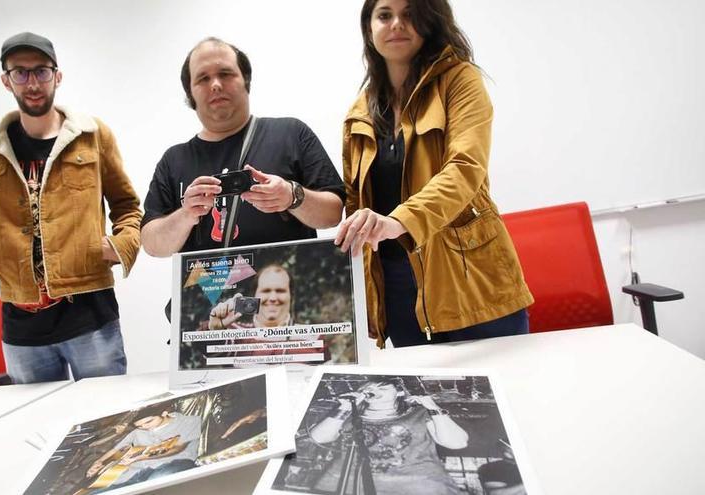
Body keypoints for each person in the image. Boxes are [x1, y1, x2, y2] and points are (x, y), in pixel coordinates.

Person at [335, 0, 534, 347]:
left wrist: (398, 221)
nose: (397, 23)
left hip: (469, 274)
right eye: (384, 15)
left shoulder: (461, 80)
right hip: (396, 284)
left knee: (502, 389)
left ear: (432, 21)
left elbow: (465, 170)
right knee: (418, 399)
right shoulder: (359, 113)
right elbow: (356, 203)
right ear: (370, 28)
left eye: (410, 14)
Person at [0, 32, 142, 383]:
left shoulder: (92, 135)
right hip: (21, 326)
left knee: (105, 421)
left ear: (57, 76)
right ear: (6, 80)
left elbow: (128, 206)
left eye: (42, 71)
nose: (32, 82)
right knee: (34, 425)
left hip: (90, 315)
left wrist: (118, 246)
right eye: (20, 72)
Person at [141, 37, 345, 257]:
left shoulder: (291, 133)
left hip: (281, 286)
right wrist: (186, 214)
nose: (216, 85)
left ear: (246, 80)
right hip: (205, 289)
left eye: (225, 74)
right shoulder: (174, 160)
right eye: (203, 78)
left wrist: (291, 196)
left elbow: (333, 213)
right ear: (190, 94)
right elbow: (152, 245)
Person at [304, 379, 468, 495]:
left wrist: (432, 406)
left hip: (416, 484)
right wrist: (345, 407)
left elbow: (457, 442)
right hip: (347, 483)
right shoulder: (348, 414)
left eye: (382, 388)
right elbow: (319, 438)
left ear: (399, 393)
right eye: (369, 388)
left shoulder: (419, 413)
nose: (374, 391)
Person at [83, 408, 202, 492]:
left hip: (175, 463)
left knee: (156, 484)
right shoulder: (138, 431)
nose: (145, 427)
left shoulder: (190, 421)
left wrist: (139, 457)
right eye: (140, 426)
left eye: (149, 421)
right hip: (136, 472)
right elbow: (116, 449)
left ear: (164, 413)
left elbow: (177, 448)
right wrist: (98, 462)